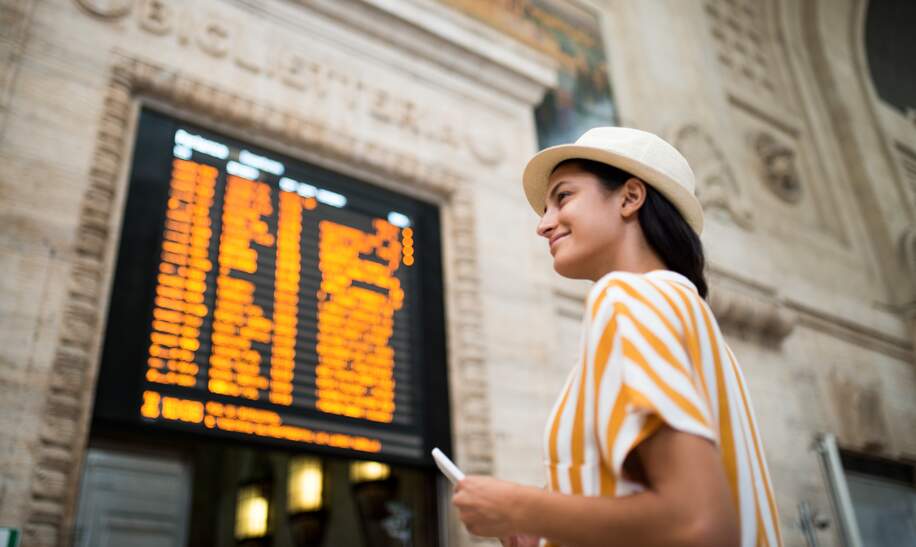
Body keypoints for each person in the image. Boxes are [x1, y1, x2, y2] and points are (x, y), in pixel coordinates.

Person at [452, 127, 782, 547]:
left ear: (630, 197)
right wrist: (549, 533)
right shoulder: (693, 322)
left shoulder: (625, 297)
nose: (543, 224)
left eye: (563, 197)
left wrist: (519, 506)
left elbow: (699, 523)